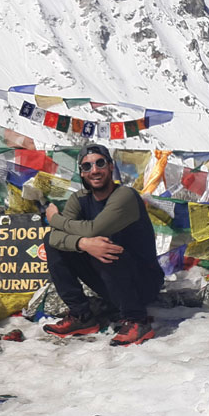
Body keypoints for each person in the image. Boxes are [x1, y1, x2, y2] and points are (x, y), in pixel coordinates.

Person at [43, 143, 164, 346]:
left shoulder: (125, 196)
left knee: (104, 245)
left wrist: (54, 219)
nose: (95, 170)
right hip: (108, 282)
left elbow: (94, 230)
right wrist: (83, 244)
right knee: (53, 243)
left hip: (142, 283)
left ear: (110, 167)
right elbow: (54, 237)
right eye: (87, 167)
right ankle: (82, 316)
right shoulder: (78, 199)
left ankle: (137, 320)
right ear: (81, 173)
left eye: (100, 163)